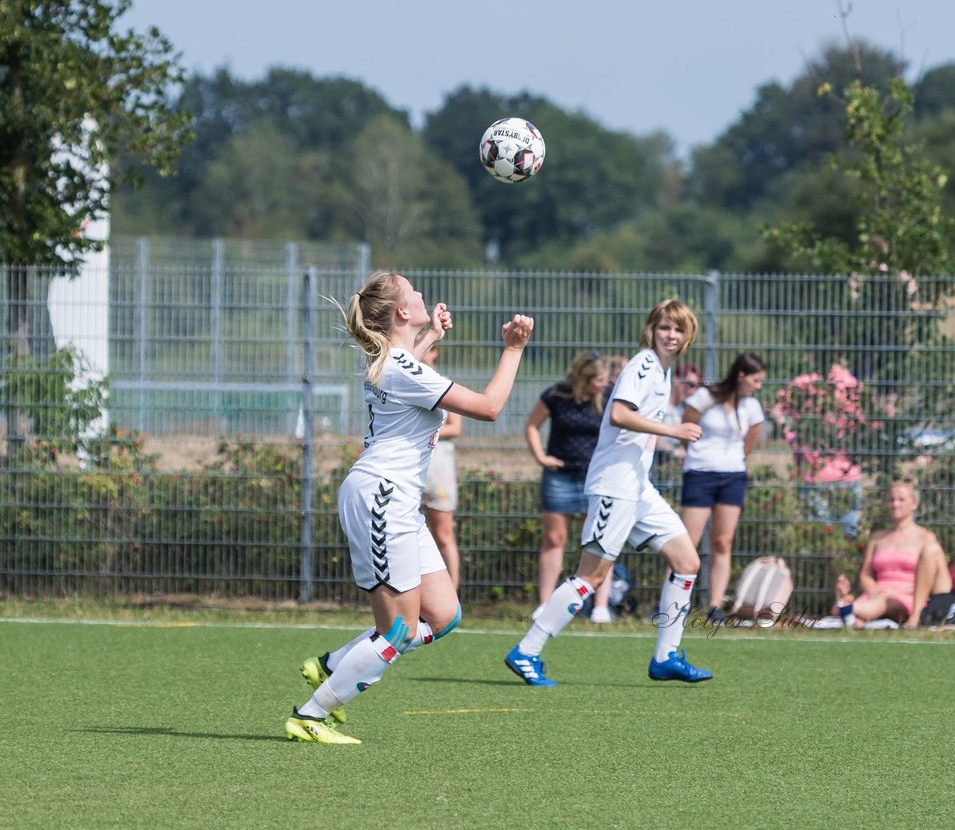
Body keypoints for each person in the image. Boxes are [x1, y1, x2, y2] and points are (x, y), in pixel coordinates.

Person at [287, 271, 534, 744]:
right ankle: (311, 716)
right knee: (397, 631)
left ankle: (333, 666)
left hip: (395, 500)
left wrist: (432, 335)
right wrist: (514, 348)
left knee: (443, 616)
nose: (422, 295)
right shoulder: (400, 367)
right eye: (414, 292)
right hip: (381, 497)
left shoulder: (394, 361)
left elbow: (408, 372)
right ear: (402, 312)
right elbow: (487, 407)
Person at [506, 299, 714, 686]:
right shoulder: (644, 365)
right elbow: (618, 413)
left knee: (686, 562)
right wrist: (675, 431)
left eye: (678, 329)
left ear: (689, 337)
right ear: (651, 329)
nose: (671, 335)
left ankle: (666, 656)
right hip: (614, 486)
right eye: (664, 327)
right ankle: (526, 650)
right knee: (592, 577)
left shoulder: (663, 372)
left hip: (638, 487)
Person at [679, 352, 767, 624]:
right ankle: (674, 604)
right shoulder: (706, 397)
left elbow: (750, 441)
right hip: (699, 473)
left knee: (722, 542)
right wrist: (700, 455)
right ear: (741, 376)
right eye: (756, 380)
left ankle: (715, 606)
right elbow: (686, 426)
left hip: (732, 476)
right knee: (685, 544)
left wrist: (734, 460)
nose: (758, 386)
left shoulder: (751, 407)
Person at [523, 350, 611, 621]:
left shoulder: (608, 399)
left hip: (595, 479)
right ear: (583, 379)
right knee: (554, 539)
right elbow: (531, 426)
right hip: (559, 476)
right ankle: (545, 604)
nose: (604, 383)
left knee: (599, 541)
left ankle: (600, 607)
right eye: (598, 379)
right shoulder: (556, 396)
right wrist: (540, 457)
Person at [832, 478, 949, 628]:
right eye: (892, 500)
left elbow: (929, 580)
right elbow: (865, 575)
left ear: (914, 503)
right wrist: (874, 591)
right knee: (871, 608)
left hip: (907, 597)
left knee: (883, 604)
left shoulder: (926, 538)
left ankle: (848, 609)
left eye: (901, 500)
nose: (895, 504)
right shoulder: (877, 537)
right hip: (876, 594)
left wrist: (896, 592)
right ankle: (853, 617)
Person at [773, 364, 865, 539]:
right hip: (815, 477)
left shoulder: (848, 383)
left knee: (826, 537)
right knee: (830, 536)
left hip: (844, 476)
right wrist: (792, 436)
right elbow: (776, 408)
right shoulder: (805, 384)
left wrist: (790, 436)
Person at [420, 344, 462, 590]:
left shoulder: (444, 385)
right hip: (412, 468)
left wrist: (427, 432)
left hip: (438, 471)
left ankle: (452, 593)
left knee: (444, 535)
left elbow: (455, 427)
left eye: (428, 347)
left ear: (435, 352)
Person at [656, 363, 703, 458]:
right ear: (676, 381)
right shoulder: (659, 404)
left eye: (696, 387)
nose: (693, 391)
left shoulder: (688, 410)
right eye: (690, 385)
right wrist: (673, 452)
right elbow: (652, 437)